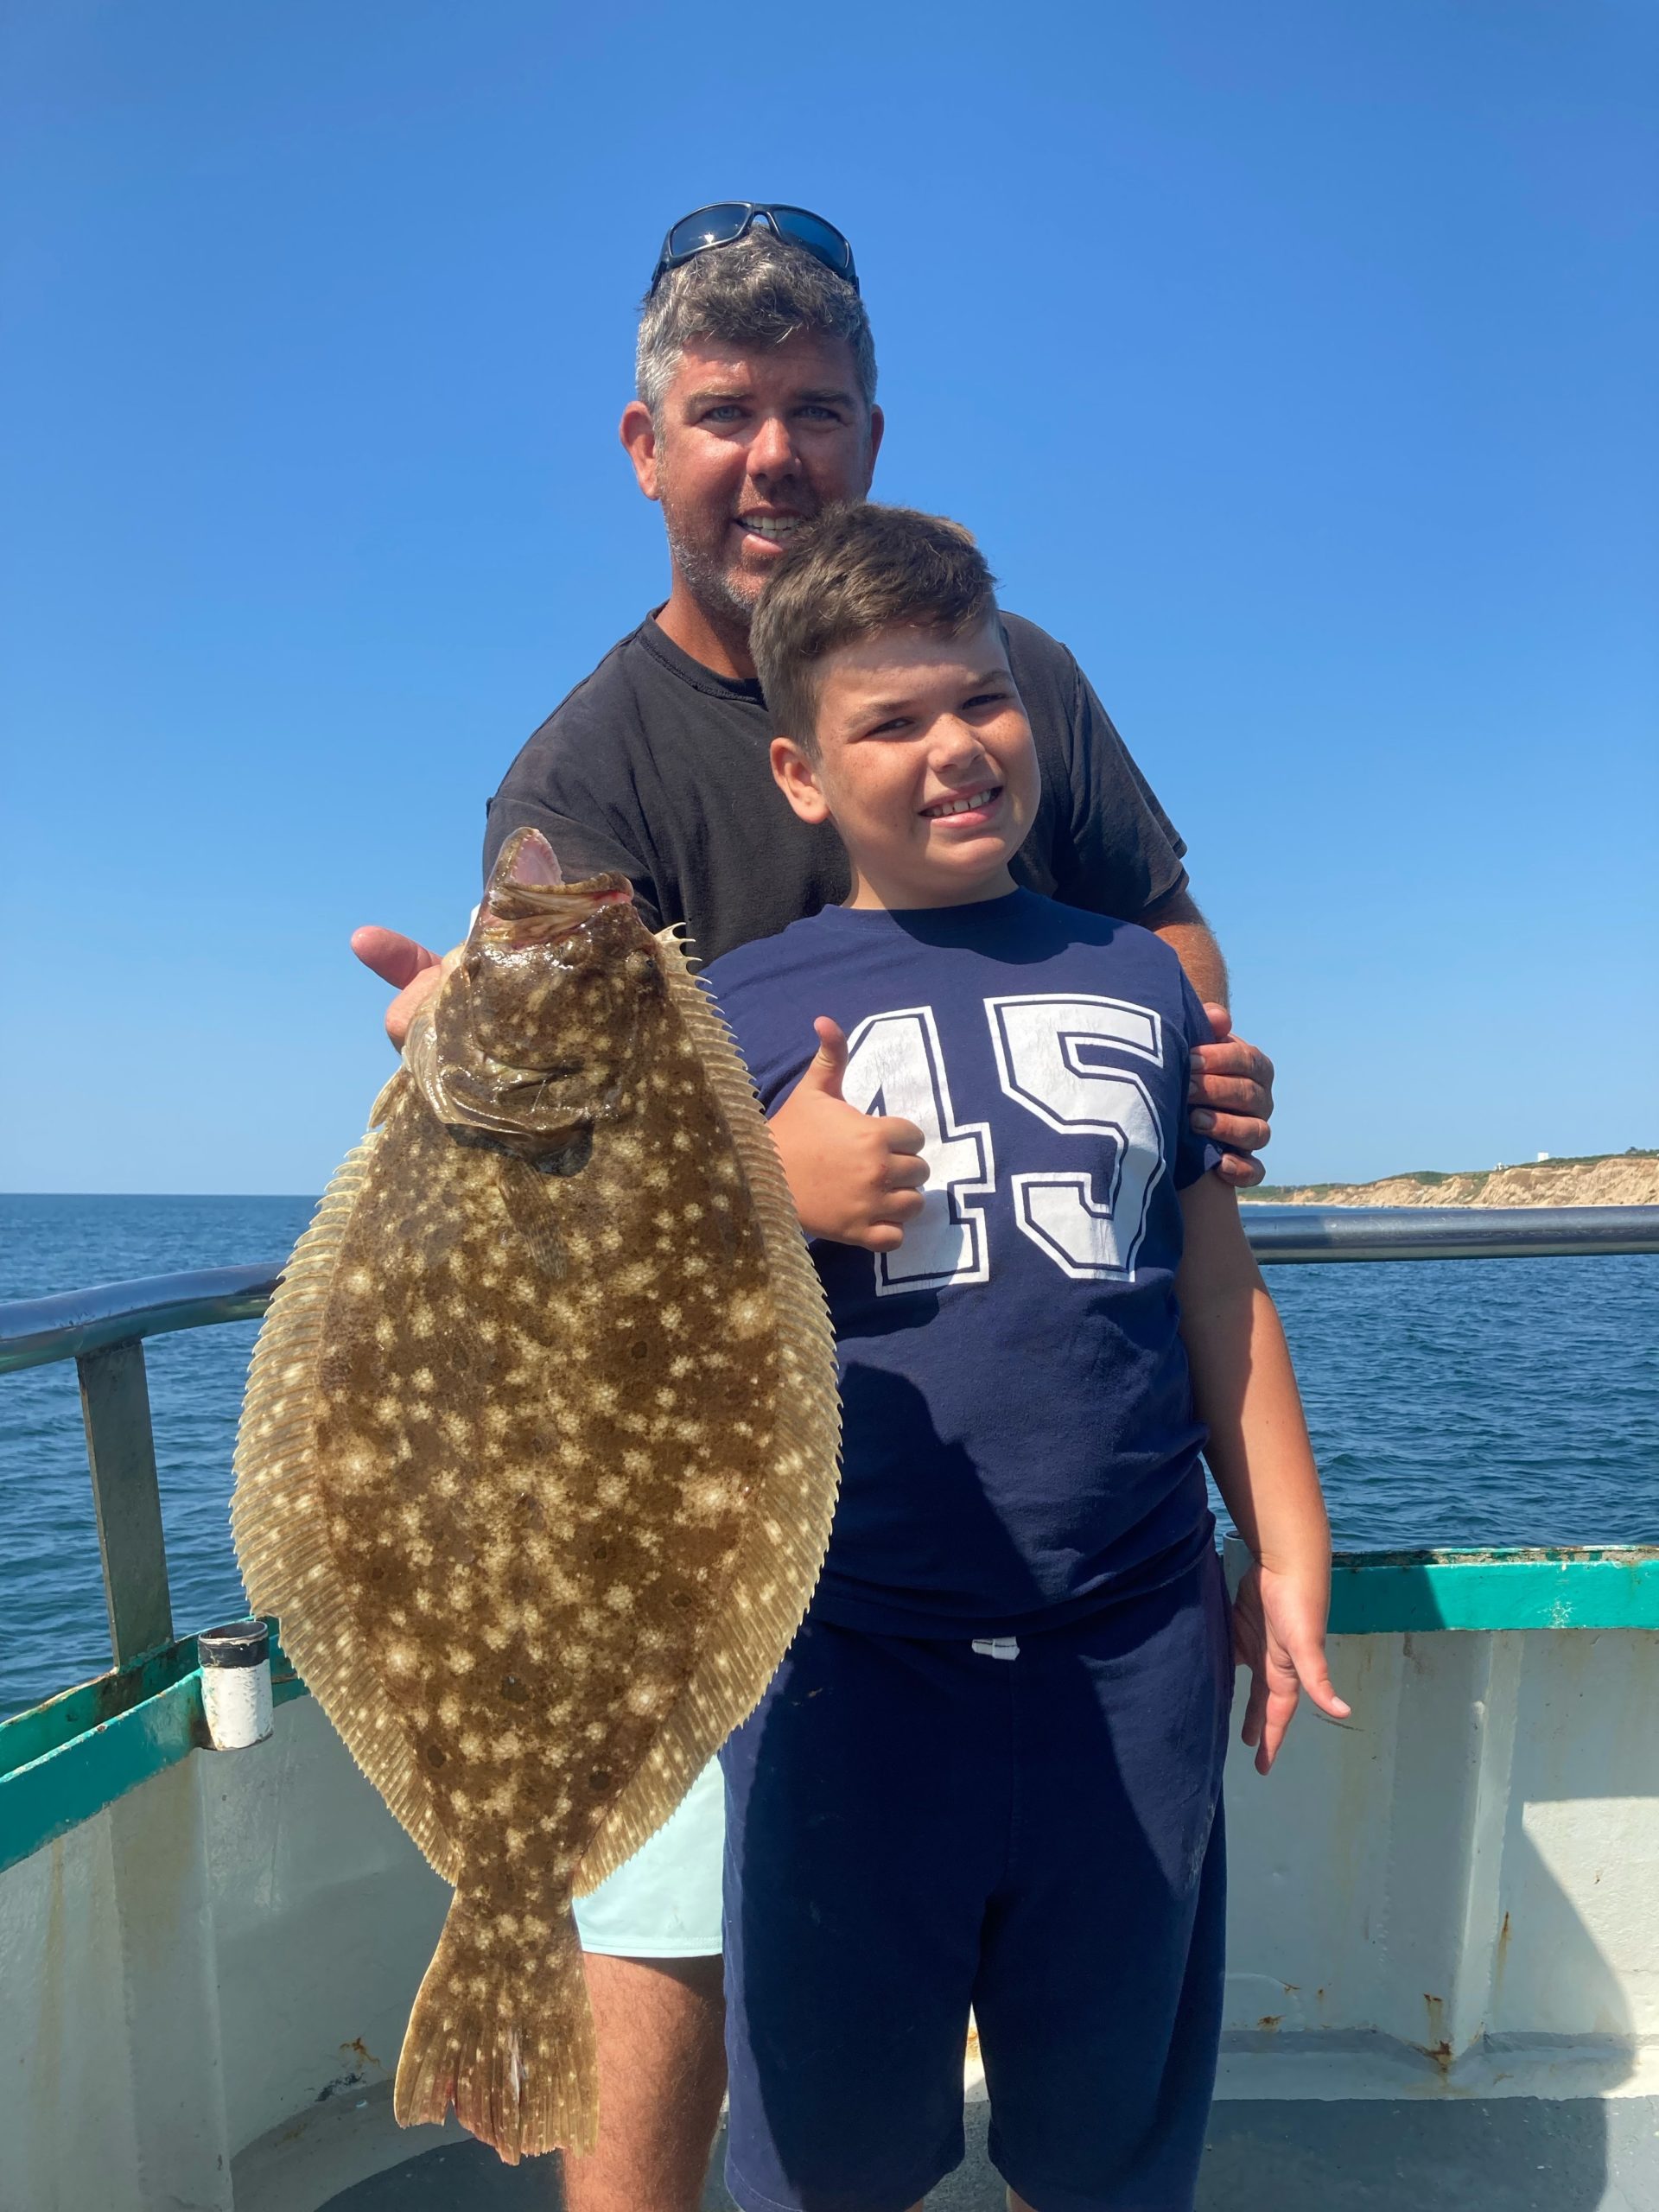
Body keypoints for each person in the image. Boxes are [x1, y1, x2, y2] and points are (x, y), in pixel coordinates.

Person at [351, 205, 1278, 2212]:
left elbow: (1166, 929)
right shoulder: (586, 771)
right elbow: (521, 1175)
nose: (774, 456)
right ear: (645, 447)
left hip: (981, 1499)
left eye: (818, 410)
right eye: (726, 414)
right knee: (662, 1915)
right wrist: (747, 1173)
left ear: (872, 429)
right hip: (688, 1470)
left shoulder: (1006, 666)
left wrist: (1194, 1058)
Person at [702, 502, 1344, 2212]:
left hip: (1131, 1656)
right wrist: (765, 1178)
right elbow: (630, 1298)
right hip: (841, 1666)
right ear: (799, 773)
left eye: (981, 697)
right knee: (829, 2153)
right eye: (892, 721)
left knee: (1107, 2139)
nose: (955, 746)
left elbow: (1217, 1290)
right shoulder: (729, 1007)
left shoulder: (1139, 974)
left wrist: (1287, 1548)